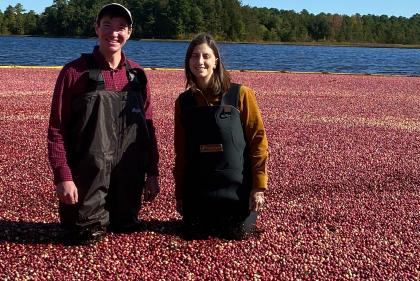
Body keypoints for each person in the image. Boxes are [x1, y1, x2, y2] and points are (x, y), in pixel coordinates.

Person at [47, 3, 160, 245]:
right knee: (82, 238)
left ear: (129, 32)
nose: (114, 32)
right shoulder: (73, 73)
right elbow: (56, 130)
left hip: (127, 186)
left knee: (126, 233)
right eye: (107, 25)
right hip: (85, 184)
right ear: (96, 28)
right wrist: (62, 177)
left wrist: (152, 172)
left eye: (121, 27)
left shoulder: (138, 76)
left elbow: (148, 127)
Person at [174, 33, 269, 240]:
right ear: (188, 62)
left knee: (235, 233)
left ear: (216, 60)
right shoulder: (183, 103)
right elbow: (181, 153)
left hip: (236, 193)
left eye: (206, 56)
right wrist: (180, 194)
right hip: (198, 191)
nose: (200, 62)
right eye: (194, 56)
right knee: (194, 234)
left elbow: (258, 142)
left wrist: (258, 187)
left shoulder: (241, 95)